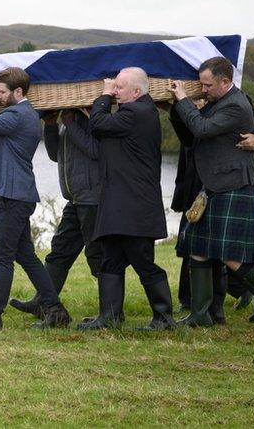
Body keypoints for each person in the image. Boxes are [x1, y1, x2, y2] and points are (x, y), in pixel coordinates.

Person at [170, 56, 254, 331]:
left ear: (225, 81)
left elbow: (202, 129)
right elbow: (191, 130)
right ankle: (200, 314)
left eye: (207, 85)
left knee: (231, 255)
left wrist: (182, 98)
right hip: (215, 183)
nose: (203, 89)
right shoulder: (219, 100)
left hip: (231, 185)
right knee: (197, 248)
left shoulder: (235, 105)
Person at [0, 67, 72, 330]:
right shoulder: (26, 114)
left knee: (2, 256)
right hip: (18, 194)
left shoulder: (16, 116)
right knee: (25, 256)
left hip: (12, 196)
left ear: (18, 92)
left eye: (1, 91)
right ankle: (55, 310)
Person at [79, 67, 175, 331]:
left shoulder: (138, 112)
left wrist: (103, 96)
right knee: (110, 258)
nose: (115, 91)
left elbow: (98, 125)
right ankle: (108, 317)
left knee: (142, 260)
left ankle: (164, 318)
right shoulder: (133, 113)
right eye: (114, 87)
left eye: (119, 87)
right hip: (121, 202)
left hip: (134, 204)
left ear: (136, 91)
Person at [170, 94, 254, 324]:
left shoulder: (230, 97)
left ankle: (217, 306)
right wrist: (177, 107)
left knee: (216, 248)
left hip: (218, 178)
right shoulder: (190, 91)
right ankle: (199, 307)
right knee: (196, 246)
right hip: (197, 176)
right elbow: (187, 138)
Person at [9, 108, 102, 319]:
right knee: (59, 251)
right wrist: (51, 125)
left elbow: (97, 151)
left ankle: (111, 311)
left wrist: (71, 125)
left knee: (98, 254)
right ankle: (43, 302)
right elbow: (54, 154)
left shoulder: (94, 120)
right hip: (75, 198)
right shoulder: (69, 118)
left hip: (93, 198)